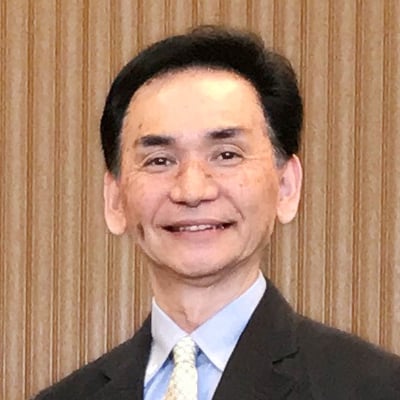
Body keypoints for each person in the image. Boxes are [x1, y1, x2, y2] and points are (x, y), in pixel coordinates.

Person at [34, 26, 399, 400]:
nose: (192, 190)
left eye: (226, 155)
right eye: (159, 160)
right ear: (115, 199)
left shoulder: (377, 387)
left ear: (287, 186)